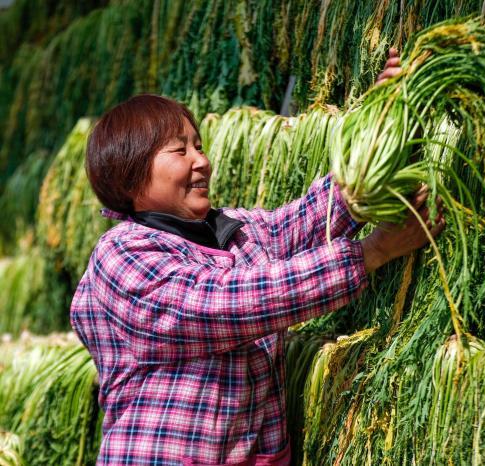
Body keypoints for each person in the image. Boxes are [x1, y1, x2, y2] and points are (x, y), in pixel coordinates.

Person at [70, 49, 445, 465]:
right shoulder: (123, 254)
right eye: (180, 151)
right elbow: (225, 304)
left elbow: (308, 220)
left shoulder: (230, 231)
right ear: (130, 174)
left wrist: (378, 125)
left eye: (199, 145)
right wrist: (372, 252)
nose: (203, 161)